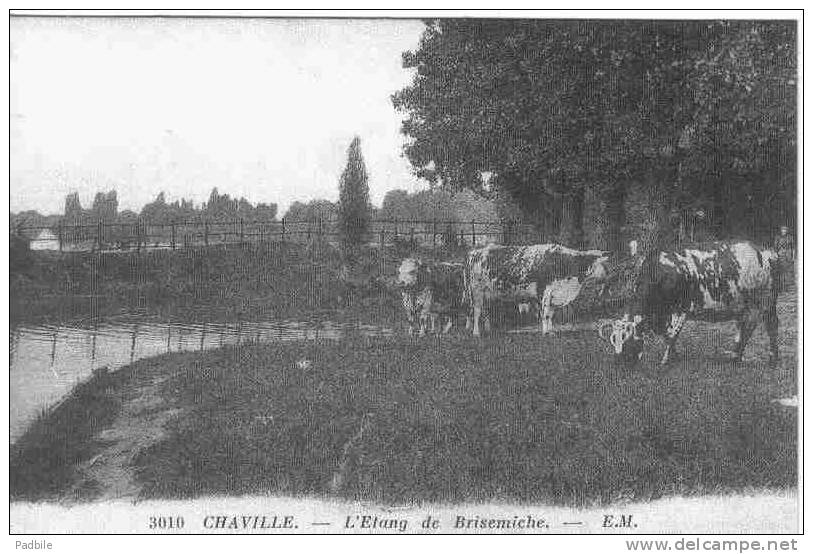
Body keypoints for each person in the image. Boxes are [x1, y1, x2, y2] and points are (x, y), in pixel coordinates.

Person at [774, 226, 795, 290]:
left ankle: (787, 286)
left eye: (785, 230)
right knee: (781, 271)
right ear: (780, 230)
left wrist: (793, 257)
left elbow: (793, 248)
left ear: (787, 230)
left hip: (788, 256)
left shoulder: (790, 237)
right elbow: (775, 248)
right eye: (782, 230)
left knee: (788, 271)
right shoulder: (777, 237)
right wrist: (776, 255)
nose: (783, 231)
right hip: (780, 255)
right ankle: (781, 286)